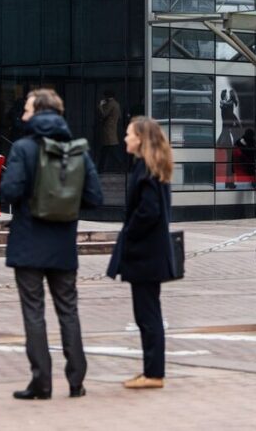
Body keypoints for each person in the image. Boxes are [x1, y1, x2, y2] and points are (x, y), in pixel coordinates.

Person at [0, 88, 103, 400]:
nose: (23, 115)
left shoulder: (23, 148)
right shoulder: (77, 150)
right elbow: (94, 197)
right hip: (63, 243)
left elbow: (8, 192)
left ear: (40, 112)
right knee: (68, 310)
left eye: (27, 109)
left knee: (34, 312)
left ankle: (41, 382)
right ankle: (76, 381)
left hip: (28, 242)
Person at [106, 116, 179, 390]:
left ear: (141, 139)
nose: (125, 138)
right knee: (148, 314)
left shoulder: (146, 170)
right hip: (150, 254)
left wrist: (129, 233)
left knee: (147, 315)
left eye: (129, 134)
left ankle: (154, 373)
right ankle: (151, 370)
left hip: (146, 255)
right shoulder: (151, 167)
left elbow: (149, 211)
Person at [97, 89, 124, 173]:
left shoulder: (110, 104)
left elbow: (104, 114)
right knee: (107, 151)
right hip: (113, 129)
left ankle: (121, 166)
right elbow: (120, 116)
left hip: (108, 130)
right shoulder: (116, 104)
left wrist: (100, 106)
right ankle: (101, 168)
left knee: (110, 150)